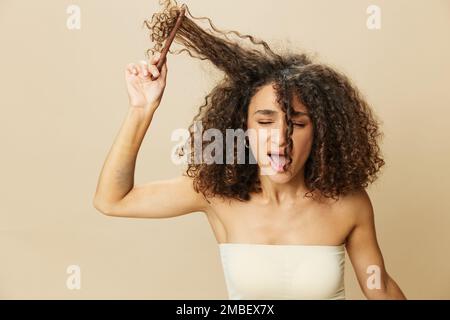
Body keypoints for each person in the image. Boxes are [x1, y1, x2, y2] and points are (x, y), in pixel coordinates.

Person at [93, 1, 406, 300]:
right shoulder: (215, 193)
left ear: (320, 132)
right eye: (265, 122)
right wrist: (142, 108)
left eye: (297, 124)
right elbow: (112, 200)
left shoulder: (348, 202)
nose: (280, 139)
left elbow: (379, 287)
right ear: (243, 129)